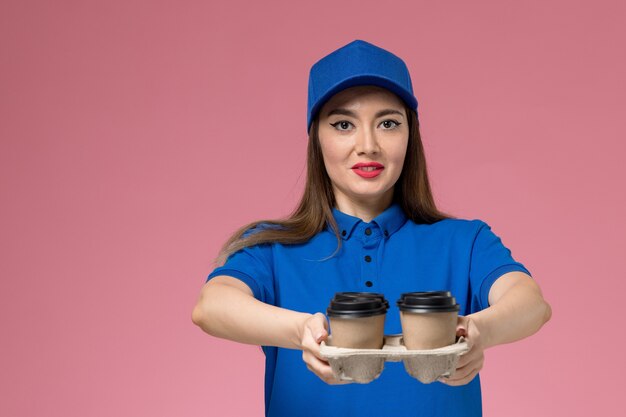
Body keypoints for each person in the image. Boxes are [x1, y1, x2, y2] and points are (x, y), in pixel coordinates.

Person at [192, 39, 552, 417]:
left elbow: (531, 304)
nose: (368, 145)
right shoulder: (271, 250)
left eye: (388, 123)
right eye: (344, 124)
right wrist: (301, 331)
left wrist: (479, 332)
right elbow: (210, 306)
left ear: (410, 135)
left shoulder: (465, 242)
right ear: (317, 137)